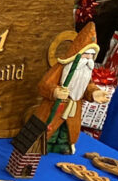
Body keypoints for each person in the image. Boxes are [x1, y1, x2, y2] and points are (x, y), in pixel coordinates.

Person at [34, 22, 110, 154]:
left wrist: (94, 93)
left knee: (67, 130)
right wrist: (55, 91)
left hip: (74, 108)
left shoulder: (85, 71)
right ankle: (46, 144)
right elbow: (44, 85)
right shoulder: (62, 68)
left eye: (92, 56)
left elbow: (87, 86)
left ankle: (64, 145)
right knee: (51, 127)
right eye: (86, 54)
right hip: (55, 107)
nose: (88, 59)